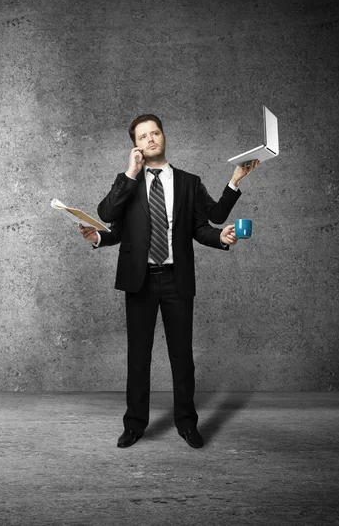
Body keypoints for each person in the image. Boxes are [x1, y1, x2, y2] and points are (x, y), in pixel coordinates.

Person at [79, 114, 258, 449]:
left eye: (155, 133)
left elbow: (210, 221)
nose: (150, 139)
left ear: (163, 137)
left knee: (182, 357)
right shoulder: (127, 181)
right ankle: (134, 425)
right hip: (140, 281)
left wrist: (224, 225)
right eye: (142, 136)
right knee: (138, 357)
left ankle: (187, 424)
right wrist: (100, 235)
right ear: (135, 145)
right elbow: (109, 219)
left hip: (177, 280)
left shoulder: (189, 182)